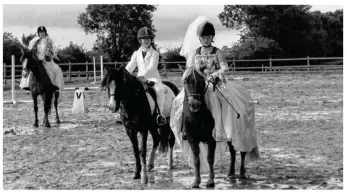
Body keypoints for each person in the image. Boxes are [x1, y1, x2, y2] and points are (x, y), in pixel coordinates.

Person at [170, 16, 259, 171]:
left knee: (227, 101)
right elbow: (191, 68)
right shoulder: (196, 52)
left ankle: (225, 130)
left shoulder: (218, 52)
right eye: (203, 37)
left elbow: (225, 68)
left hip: (216, 83)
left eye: (208, 37)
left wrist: (215, 75)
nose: (205, 39)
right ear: (199, 38)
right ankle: (184, 129)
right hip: (199, 85)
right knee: (179, 102)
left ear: (212, 37)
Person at [125, 27, 167, 125]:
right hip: (139, 79)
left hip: (153, 78)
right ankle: (127, 113)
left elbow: (152, 67)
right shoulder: (136, 54)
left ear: (151, 40)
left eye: (148, 39)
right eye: (144, 39)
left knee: (159, 90)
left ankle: (159, 114)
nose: (146, 41)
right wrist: (125, 74)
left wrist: (143, 76)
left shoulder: (155, 53)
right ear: (140, 40)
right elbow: (131, 65)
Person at [20, 26, 64, 91]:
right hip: (35, 60)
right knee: (27, 68)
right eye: (40, 32)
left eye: (43, 32)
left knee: (57, 69)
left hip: (46, 60)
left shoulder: (49, 40)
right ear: (38, 33)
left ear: (45, 33)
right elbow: (29, 50)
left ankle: (55, 85)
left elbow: (53, 50)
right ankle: (26, 85)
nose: (42, 34)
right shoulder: (33, 41)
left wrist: (49, 54)